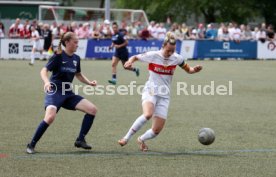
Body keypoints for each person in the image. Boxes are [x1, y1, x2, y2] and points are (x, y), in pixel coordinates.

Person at [118, 32, 202, 151]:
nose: (170, 53)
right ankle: (126, 138)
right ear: (163, 46)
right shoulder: (153, 55)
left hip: (164, 96)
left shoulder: (177, 58)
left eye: (173, 51)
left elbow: (189, 70)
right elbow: (136, 57)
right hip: (150, 91)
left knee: (156, 131)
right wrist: (130, 61)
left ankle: (141, 139)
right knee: (148, 114)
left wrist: (195, 69)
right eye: (168, 50)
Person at [26, 32, 98, 154]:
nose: (77, 45)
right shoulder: (58, 56)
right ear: (67, 42)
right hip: (54, 91)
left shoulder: (76, 58)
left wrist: (89, 82)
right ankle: (31, 144)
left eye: (77, 42)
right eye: (75, 42)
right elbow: (44, 71)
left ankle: (80, 139)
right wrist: (46, 82)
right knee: (50, 117)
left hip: (68, 92)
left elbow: (78, 74)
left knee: (92, 109)